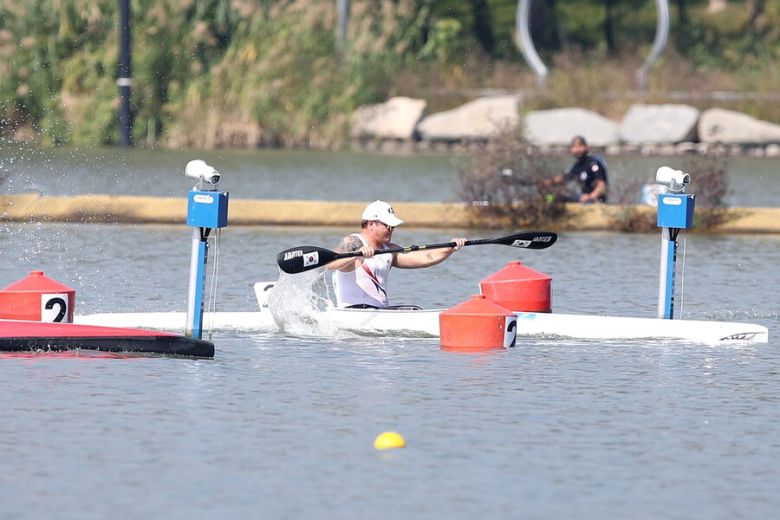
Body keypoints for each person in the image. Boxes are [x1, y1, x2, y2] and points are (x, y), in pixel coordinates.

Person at [328, 200, 467, 308]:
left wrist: (450, 247)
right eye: (387, 225)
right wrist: (357, 255)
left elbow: (425, 258)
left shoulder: (389, 250)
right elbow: (330, 264)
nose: (391, 230)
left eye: (392, 226)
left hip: (379, 313)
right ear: (371, 224)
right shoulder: (353, 242)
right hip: (352, 313)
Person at [548, 135, 608, 203]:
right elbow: (564, 178)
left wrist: (590, 196)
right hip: (582, 198)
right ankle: (545, 201)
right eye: (574, 147)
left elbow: (601, 185)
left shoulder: (594, 164)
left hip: (595, 200)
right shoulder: (577, 166)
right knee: (551, 197)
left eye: (579, 146)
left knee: (585, 200)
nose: (577, 150)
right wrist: (547, 182)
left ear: (586, 147)